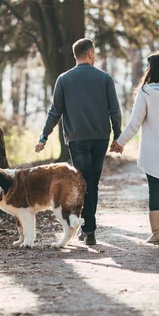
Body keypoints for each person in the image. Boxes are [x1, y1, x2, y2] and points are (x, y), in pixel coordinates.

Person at [35, 38, 122, 246]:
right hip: (101, 137)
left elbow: (54, 112)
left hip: (77, 138)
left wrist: (43, 137)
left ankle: (88, 229)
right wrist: (118, 137)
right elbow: (115, 111)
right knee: (92, 182)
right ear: (90, 54)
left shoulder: (64, 79)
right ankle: (89, 229)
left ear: (77, 55)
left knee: (83, 182)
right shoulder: (105, 78)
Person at [111, 52, 159, 244]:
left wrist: (119, 142)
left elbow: (134, 123)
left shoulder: (146, 92)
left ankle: (158, 233)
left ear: (152, 69)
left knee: (155, 189)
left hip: (155, 151)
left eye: (148, 66)